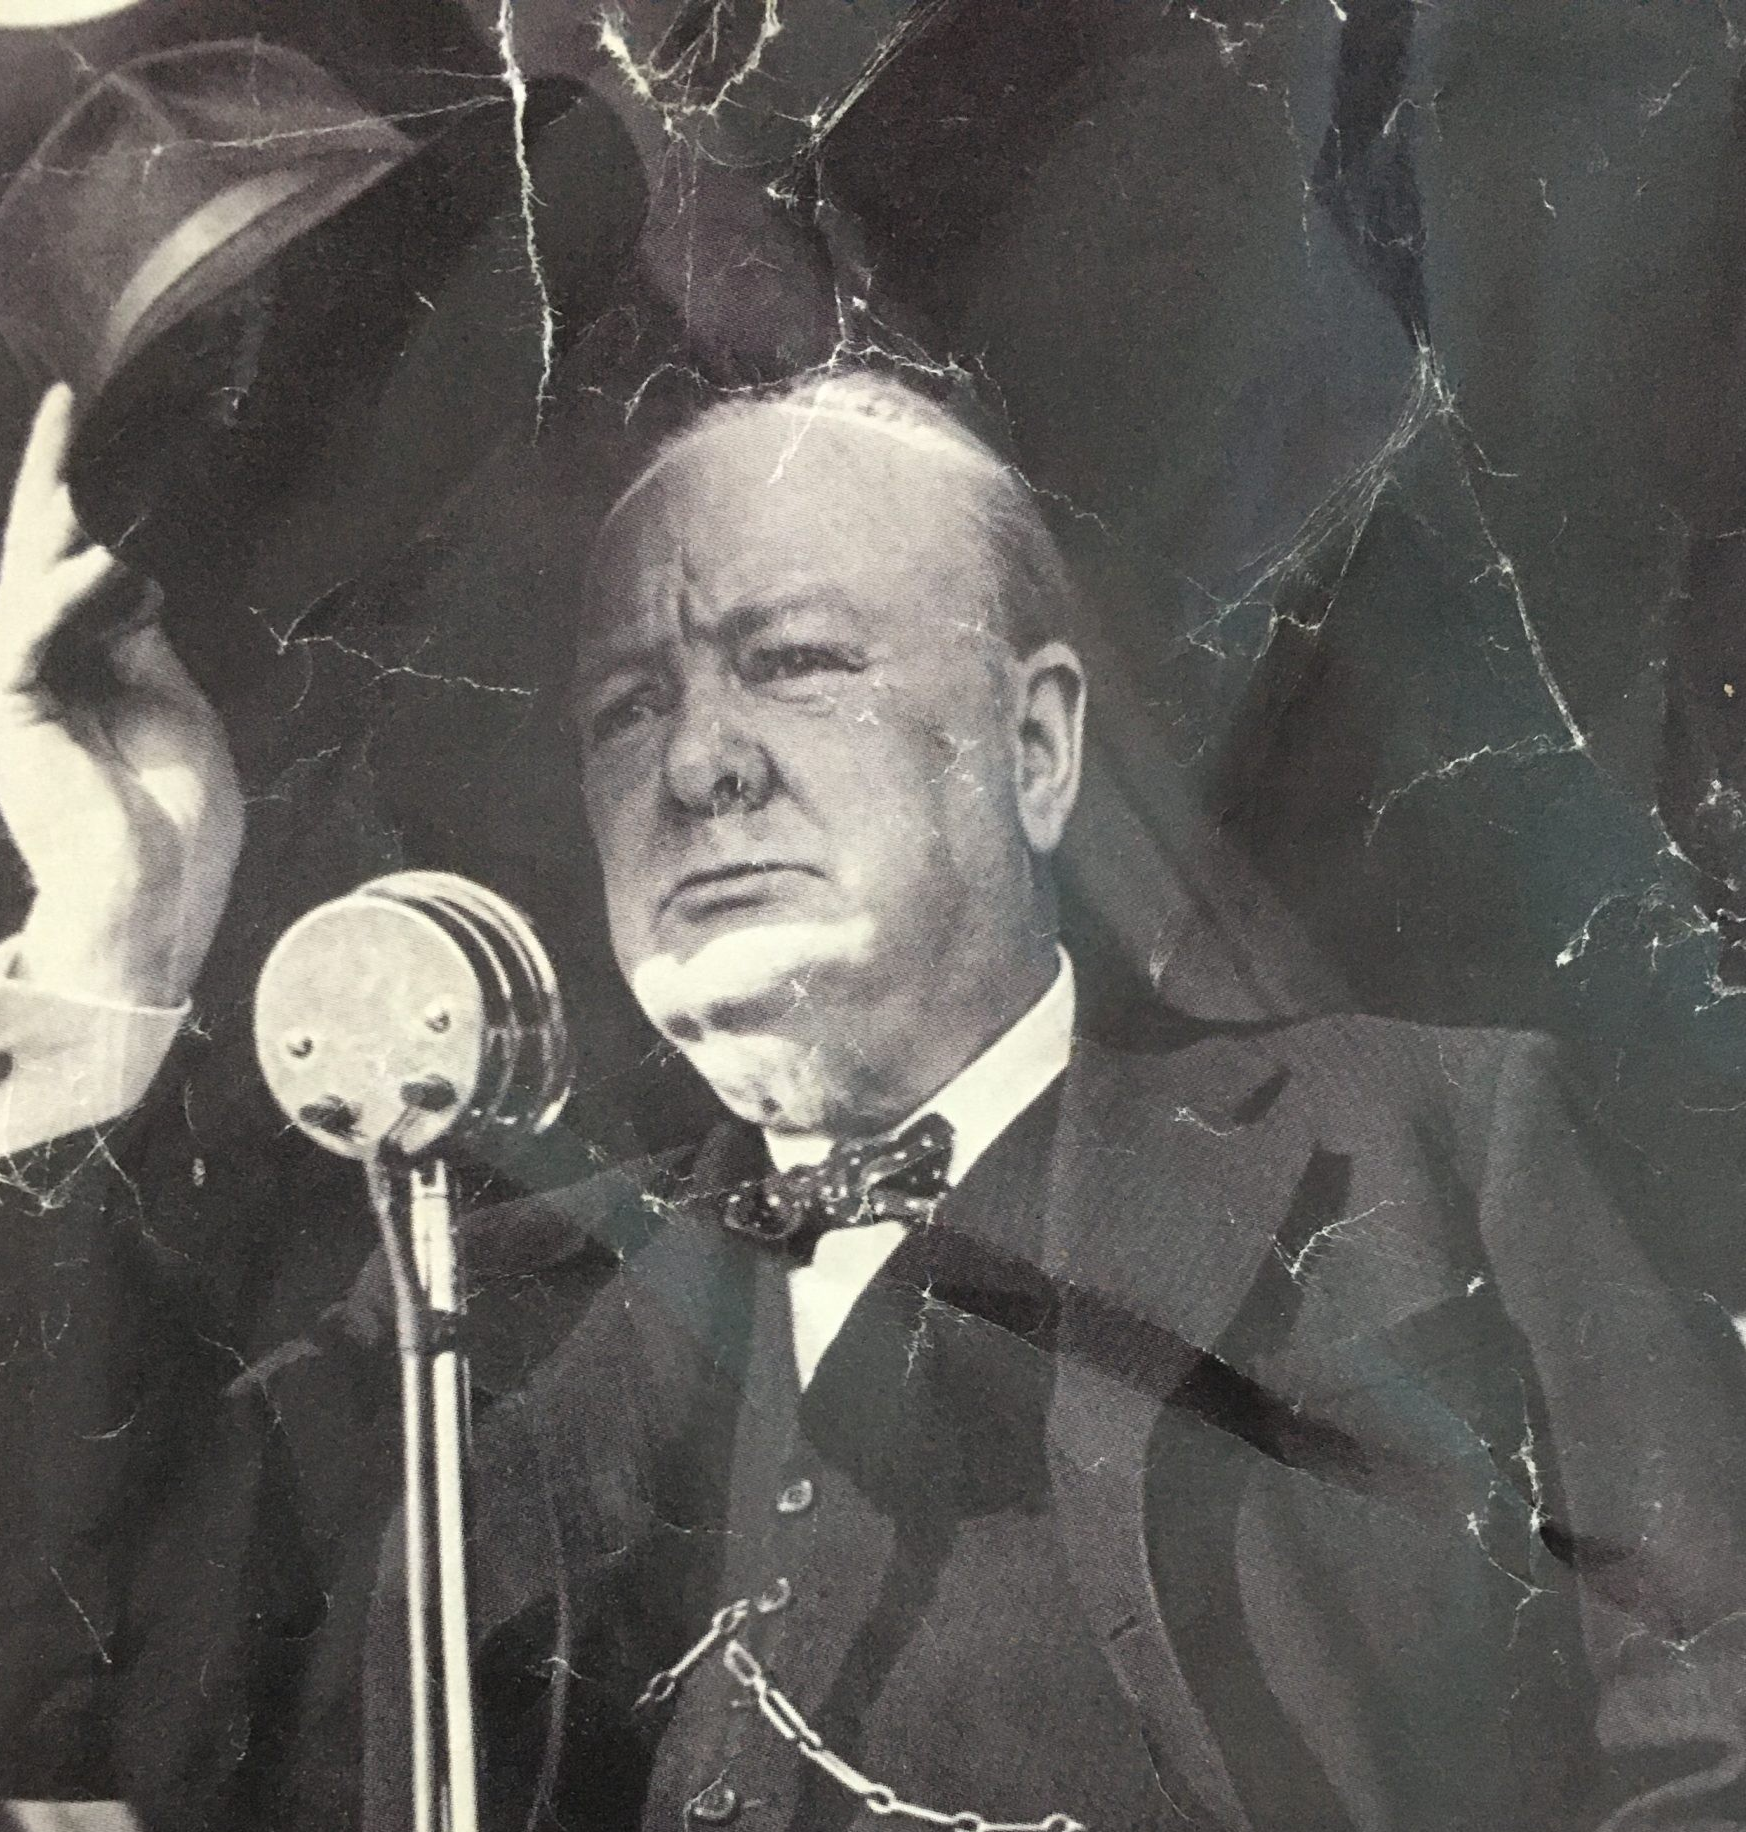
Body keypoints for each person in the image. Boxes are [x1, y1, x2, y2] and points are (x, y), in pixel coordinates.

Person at [4, 370, 1746, 1831]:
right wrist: (113, 908)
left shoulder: (1442, 1146)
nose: (700, 761)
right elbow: (91, 1688)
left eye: (798, 662)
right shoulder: (475, 1307)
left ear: (1037, 748)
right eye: (629, 704)